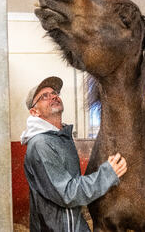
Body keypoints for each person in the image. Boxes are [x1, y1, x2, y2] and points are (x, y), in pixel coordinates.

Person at [21, 76, 127, 232]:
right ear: (34, 112)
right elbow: (67, 193)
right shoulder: (41, 145)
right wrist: (107, 175)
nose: (53, 96)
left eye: (54, 93)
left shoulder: (60, 137)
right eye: (44, 96)